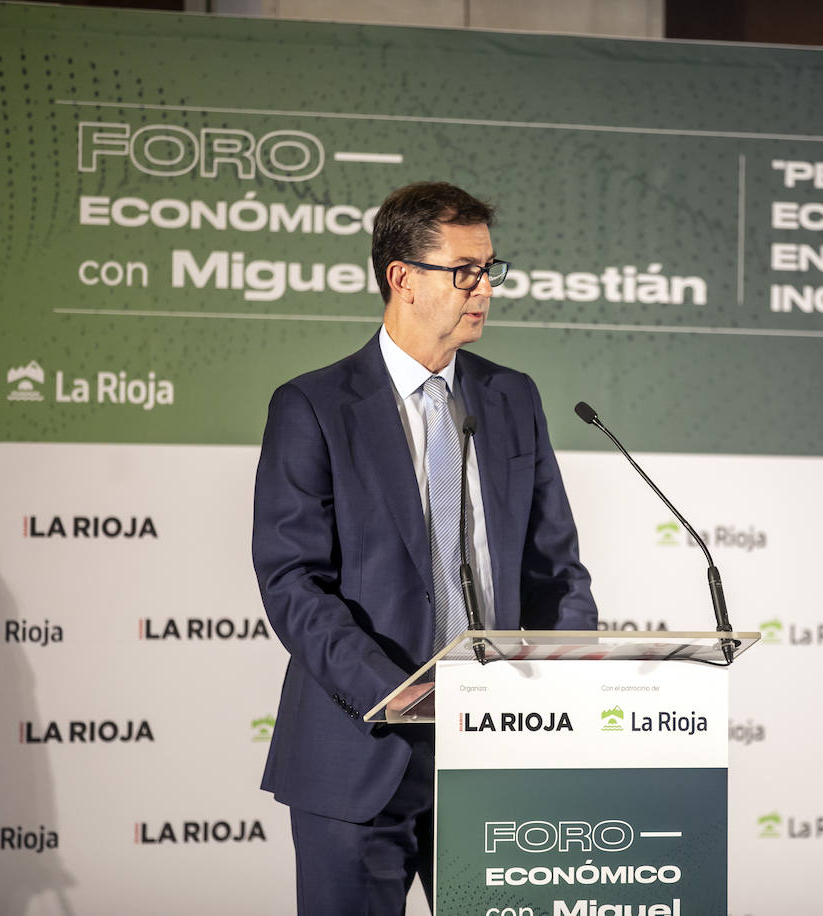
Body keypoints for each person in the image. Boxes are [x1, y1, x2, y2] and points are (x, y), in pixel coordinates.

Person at [251, 181, 597, 914]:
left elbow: (555, 569)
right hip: (361, 753)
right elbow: (292, 582)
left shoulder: (512, 398)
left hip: (492, 755)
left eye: (490, 270)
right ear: (401, 277)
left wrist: (572, 689)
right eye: (464, 271)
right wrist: (402, 696)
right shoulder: (313, 406)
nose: (484, 290)